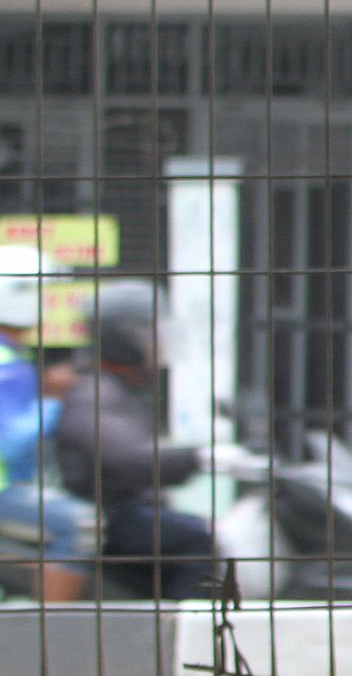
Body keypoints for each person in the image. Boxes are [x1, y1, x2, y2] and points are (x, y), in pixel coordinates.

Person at [55, 279, 217, 603]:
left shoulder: (117, 386)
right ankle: (180, 630)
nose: (159, 343)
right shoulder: (97, 392)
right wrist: (196, 458)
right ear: (126, 336)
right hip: (112, 513)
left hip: (125, 508)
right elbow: (125, 457)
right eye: (152, 333)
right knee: (196, 538)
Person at [0, 245, 89, 603]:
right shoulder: (10, 366)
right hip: (5, 488)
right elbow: (10, 441)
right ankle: (50, 629)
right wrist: (52, 399)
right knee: (80, 525)